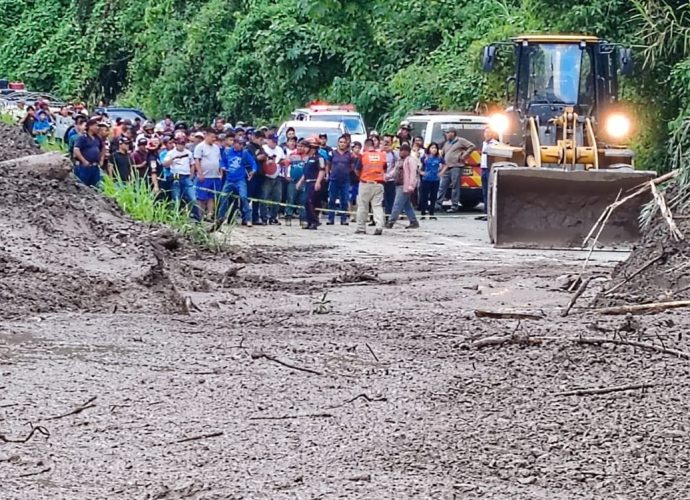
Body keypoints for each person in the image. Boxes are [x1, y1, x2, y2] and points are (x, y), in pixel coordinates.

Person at [215, 136, 259, 228]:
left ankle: (248, 219)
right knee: (223, 198)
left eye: (241, 144)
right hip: (229, 179)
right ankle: (220, 218)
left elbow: (253, 163)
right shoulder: (227, 152)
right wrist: (222, 167)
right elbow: (222, 161)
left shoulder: (244, 153)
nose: (238, 145)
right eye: (237, 143)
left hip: (240, 180)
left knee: (243, 197)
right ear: (234, 143)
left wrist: (253, 171)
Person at [163, 137, 201, 221]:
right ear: (176, 144)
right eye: (180, 144)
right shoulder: (171, 153)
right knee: (176, 197)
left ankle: (197, 218)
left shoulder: (188, 153)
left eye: (183, 144)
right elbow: (165, 164)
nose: (181, 146)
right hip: (175, 175)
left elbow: (192, 164)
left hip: (186, 175)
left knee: (193, 197)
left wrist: (191, 176)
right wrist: (173, 159)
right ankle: (175, 217)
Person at [437, 127, 475, 213]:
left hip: (456, 166)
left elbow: (472, 146)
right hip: (447, 166)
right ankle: (438, 204)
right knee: (442, 186)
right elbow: (443, 153)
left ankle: (454, 206)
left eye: (448, 133)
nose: (446, 135)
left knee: (455, 186)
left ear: (453, 133)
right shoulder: (447, 143)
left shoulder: (460, 141)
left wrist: (464, 155)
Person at [354, 138, 386, 235]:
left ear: (365, 146)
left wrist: (361, 177)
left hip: (365, 183)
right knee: (377, 206)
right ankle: (379, 226)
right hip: (378, 183)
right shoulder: (381, 155)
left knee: (363, 206)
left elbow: (357, 169)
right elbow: (385, 168)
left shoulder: (363, 156)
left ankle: (361, 228)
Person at [385, 144, 420, 229]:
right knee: (406, 205)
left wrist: (411, 186)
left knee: (397, 204)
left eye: (404, 150)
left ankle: (391, 222)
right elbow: (394, 171)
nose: (402, 152)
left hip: (405, 185)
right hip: (398, 184)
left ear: (408, 152)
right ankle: (413, 221)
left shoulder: (410, 160)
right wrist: (387, 176)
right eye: (401, 150)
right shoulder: (400, 160)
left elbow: (413, 174)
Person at [295, 138, 325, 230]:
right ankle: (310, 221)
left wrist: (318, 182)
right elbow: (306, 172)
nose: (303, 149)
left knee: (309, 202)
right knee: (307, 202)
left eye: (305, 147)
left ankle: (314, 221)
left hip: (314, 182)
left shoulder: (319, 158)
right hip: (308, 183)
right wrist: (300, 181)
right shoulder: (308, 158)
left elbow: (322, 170)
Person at [194, 129, 223, 218]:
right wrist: (200, 173)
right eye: (212, 137)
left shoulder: (216, 147)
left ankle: (210, 214)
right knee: (201, 197)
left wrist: (221, 173)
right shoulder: (200, 147)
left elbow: (219, 161)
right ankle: (200, 215)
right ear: (206, 136)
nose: (213, 139)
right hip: (205, 176)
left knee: (212, 196)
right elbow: (197, 160)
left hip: (215, 175)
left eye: (215, 137)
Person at [327, 135, 355, 225]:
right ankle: (330, 218)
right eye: (340, 142)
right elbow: (328, 164)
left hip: (345, 180)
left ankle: (343, 219)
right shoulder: (333, 153)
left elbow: (352, 166)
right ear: (338, 143)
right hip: (334, 179)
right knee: (332, 199)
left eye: (344, 142)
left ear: (347, 144)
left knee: (344, 200)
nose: (342, 144)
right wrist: (328, 174)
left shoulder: (350, 155)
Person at [260, 135, 285, 225]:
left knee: (277, 197)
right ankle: (263, 217)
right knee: (264, 197)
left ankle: (273, 217)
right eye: (273, 141)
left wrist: (282, 163)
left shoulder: (280, 149)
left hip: (277, 176)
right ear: (268, 140)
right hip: (266, 176)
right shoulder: (263, 148)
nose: (274, 143)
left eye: (275, 141)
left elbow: (283, 159)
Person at [73, 117, 104, 187]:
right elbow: (76, 150)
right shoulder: (82, 138)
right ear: (90, 126)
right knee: (83, 186)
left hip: (95, 167)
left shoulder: (98, 138)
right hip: (84, 167)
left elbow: (103, 148)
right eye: (96, 126)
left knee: (96, 187)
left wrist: (101, 159)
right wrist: (84, 161)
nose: (98, 128)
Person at [418, 142, 445, 220]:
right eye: (432, 148)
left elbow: (445, 164)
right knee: (424, 197)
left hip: (435, 179)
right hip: (426, 179)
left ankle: (431, 213)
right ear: (429, 149)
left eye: (435, 148)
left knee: (433, 197)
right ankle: (423, 213)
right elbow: (418, 165)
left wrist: (441, 172)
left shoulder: (439, 158)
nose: (434, 149)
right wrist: (421, 172)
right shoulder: (425, 157)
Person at [246, 130, 267, 224]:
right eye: (260, 139)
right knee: (248, 197)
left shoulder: (261, 148)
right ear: (254, 138)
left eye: (262, 140)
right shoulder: (248, 148)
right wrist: (256, 158)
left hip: (260, 175)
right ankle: (246, 217)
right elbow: (245, 160)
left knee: (257, 198)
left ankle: (255, 218)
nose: (261, 141)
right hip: (251, 175)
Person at [283, 137, 305, 226]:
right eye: (298, 146)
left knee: (303, 200)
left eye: (302, 146)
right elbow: (286, 166)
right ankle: (288, 217)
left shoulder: (307, 156)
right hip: (293, 181)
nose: (300, 148)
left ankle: (303, 219)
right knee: (290, 199)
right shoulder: (291, 155)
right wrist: (286, 175)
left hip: (304, 182)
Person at [479, 127, 499, 220]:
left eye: (489, 132)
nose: (487, 134)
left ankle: (490, 213)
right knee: (484, 192)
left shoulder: (495, 144)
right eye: (486, 132)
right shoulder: (484, 143)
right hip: (483, 169)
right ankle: (485, 212)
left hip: (489, 169)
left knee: (490, 192)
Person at [382, 135, 398, 218]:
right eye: (384, 142)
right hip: (380, 179)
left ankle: (389, 217)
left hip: (391, 180)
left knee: (390, 200)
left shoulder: (394, 154)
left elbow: (397, 166)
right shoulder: (379, 152)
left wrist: (389, 175)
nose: (386, 144)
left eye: (387, 142)